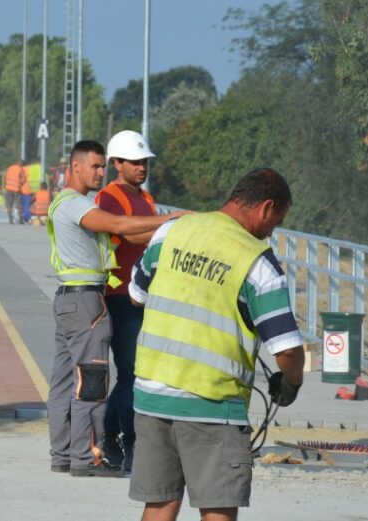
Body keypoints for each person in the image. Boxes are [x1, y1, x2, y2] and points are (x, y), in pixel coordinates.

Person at [128, 168, 305, 521]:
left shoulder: (172, 231)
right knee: (218, 507)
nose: (272, 231)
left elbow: (136, 294)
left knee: (160, 504)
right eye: (277, 221)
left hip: (151, 396)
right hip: (211, 404)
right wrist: (291, 383)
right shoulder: (258, 262)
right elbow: (286, 350)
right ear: (265, 208)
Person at [46, 139, 174, 478]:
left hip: (69, 298)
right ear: (75, 167)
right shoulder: (76, 205)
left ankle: (62, 454)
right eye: (95, 167)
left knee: (62, 382)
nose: (100, 173)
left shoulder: (67, 203)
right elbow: (119, 226)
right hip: (87, 301)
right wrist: (173, 219)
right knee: (91, 381)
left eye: (103, 167)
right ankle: (87, 458)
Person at [95, 130, 185, 472]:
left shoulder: (146, 200)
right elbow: (126, 231)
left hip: (144, 295)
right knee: (131, 372)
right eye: (134, 162)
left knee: (137, 373)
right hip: (119, 295)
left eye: (144, 161)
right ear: (117, 163)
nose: (141, 167)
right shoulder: (109, 198)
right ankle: (123, 439)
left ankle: (116, 433)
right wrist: (169, 226)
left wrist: (167, 230)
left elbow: (147, 236)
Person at [4, 158, 27, 224]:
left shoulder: (9, 168)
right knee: (19, 205)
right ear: (20, 164)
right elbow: (23, 179)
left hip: (8, 188)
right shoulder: (20, 169)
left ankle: (10, 220)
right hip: (17, 189)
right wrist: (20, 183)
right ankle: (20, 220)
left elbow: (6, 177)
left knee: (9, 205)